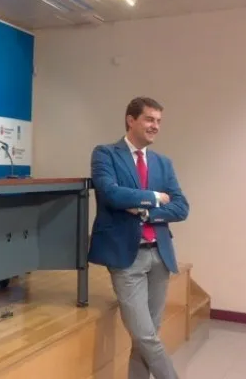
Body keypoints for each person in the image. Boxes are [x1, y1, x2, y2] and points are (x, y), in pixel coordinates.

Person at [88, 96, 189, 379]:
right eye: (149, 119)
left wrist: (145, 212)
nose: (155, 126)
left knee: (147, 335)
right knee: (145, 335)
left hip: (160, 254)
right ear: (131, 120)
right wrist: (155, 197)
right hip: (126, 257)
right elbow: (111, 193)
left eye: (159, 121)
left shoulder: (163, 163)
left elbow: (181, 207)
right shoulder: (106, 154)